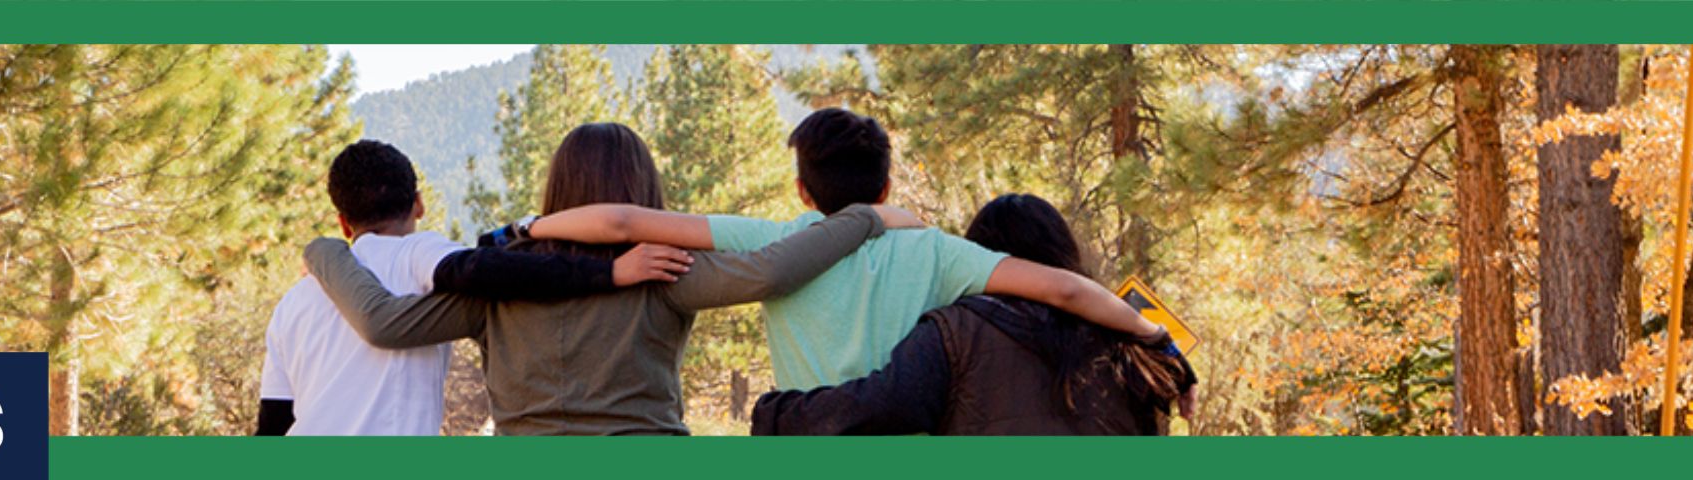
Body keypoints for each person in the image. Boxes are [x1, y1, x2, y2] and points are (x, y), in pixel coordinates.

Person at [300, 123, 923, 435]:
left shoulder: (501, 276)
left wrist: (328, 250)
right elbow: (776, 269)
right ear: (642, 191)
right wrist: (862, 219)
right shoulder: (662, 266)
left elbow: (384, 321)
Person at [504, 108, 1167, 391]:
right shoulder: (935, 252)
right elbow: (1062, 288)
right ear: (886, 185)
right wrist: (1151, 333)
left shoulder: (774, 238)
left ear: (800, 189)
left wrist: (527, 228)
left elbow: (622, 220)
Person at [257, 140, 695, 436]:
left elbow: (273, 423)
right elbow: (482, 269)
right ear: (419, 204)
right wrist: (611, 272)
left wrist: (322, 252)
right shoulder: (419, 253)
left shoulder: (292, 303)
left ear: (342, 221)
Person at [751, 194, 1198, 435]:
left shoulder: (953, 331)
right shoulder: (1123, 340)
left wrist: (779, 414)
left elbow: (881, 407)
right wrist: (1163, 347)